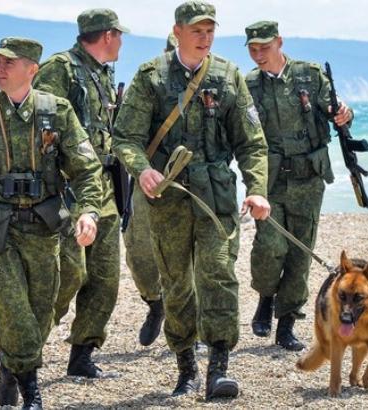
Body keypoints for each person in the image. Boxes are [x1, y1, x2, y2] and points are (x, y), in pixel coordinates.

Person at [112, 1, 270, 401]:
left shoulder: (228, 76)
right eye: (197, 30)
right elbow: (125, 137)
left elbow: (251, 143)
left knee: (219, 274)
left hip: (216, 195)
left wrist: (256, 188)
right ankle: (186, 368)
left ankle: (219, 367)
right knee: (177, 282)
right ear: (177, 31)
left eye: (210, 30)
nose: (205, 37)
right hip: (168, 198)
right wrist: (141, 169)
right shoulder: (151, 77)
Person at [0, 37, 102, 409]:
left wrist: (88, 212)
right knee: (14, 311)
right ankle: (32, 394)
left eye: (8, 62)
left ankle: (10, 364)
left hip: (43, 227)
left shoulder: (56, 111)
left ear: (32, 69)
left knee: (42, 313)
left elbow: (86, 169)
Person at [244, 21, 353, 351]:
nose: (259, 54)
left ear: (279, 42)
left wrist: (345, 114)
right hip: (271, 180)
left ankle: (287, 323)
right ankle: (266, 296)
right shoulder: (248, 85)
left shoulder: (309, 75)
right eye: (253, 49)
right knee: (269, 246)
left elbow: (336, 108)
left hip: (308, 178)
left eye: (264, 47)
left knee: (300, 253)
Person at [33, 8, 129, 378]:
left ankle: (82, 354)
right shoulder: (61, 69)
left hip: (103, 184)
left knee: (105, 277)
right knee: (69, 273)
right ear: (108, 35)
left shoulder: (103, 72)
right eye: (119, 35)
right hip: (69, 188)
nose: (121, 42)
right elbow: (40, 128)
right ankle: (24, 348)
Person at [120, 30, 181, 348]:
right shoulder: (146, 83)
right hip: (148, 178)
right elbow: (126, 135)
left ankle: (188, 326)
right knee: (140, 253)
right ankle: (155, 305)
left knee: (190, 258)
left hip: (191, 182)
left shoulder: (211, 85)